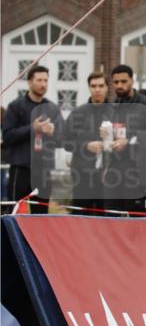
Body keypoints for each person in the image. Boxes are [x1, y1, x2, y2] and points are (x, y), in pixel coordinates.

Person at [108, 64, 146, 213]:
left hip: (142, 174)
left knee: (138, 220)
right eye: (116, 82)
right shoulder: (114, 105)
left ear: (132, 81)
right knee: (113, 218)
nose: (120, 85)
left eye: (124, 81)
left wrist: (129, 141)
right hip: (118, 173)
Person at [2, 65, 63, 213]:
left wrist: (53, 133)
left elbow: (62, 140)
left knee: (40, 215)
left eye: (46, 80)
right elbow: (7, 136)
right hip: (21, 168)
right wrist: (32, 128)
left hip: (43, 170)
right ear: (29, 82)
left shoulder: (52, 109)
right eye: (39, 80)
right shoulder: (15, 106)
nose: (43, 84)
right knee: (14, 212)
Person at [63, 71, 110, 214]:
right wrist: (86, 146)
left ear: (107, 87)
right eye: (93, 86)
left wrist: (111, 138)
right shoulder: (78, 113)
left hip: (110, 175)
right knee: (81, 217)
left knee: (106, 218)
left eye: (101, 86)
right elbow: (65, 141)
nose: (97, 90)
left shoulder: (117, 112)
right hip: (82, 174)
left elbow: (125, 141)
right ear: (89, 88)